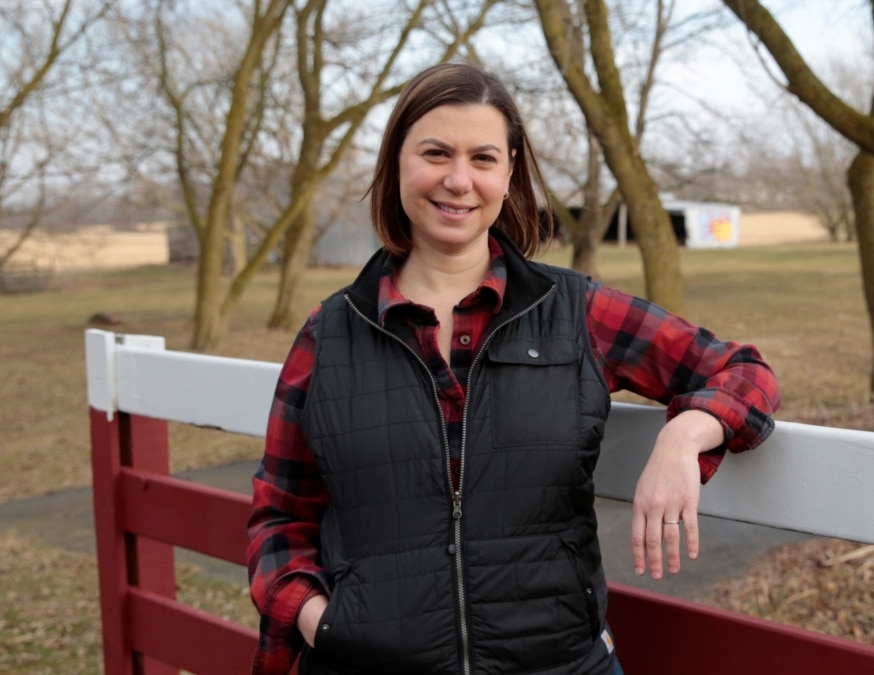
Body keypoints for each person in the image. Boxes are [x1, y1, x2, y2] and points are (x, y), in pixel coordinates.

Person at [247, 62, 780, 675]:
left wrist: (686, 434)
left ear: (509, 174)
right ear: (396, 163)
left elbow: (743, 371)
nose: (457, 179)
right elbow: (280, 517)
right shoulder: (330, 334)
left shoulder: (577, 312)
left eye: (483, 158)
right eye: (436, 153)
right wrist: (325, 622)